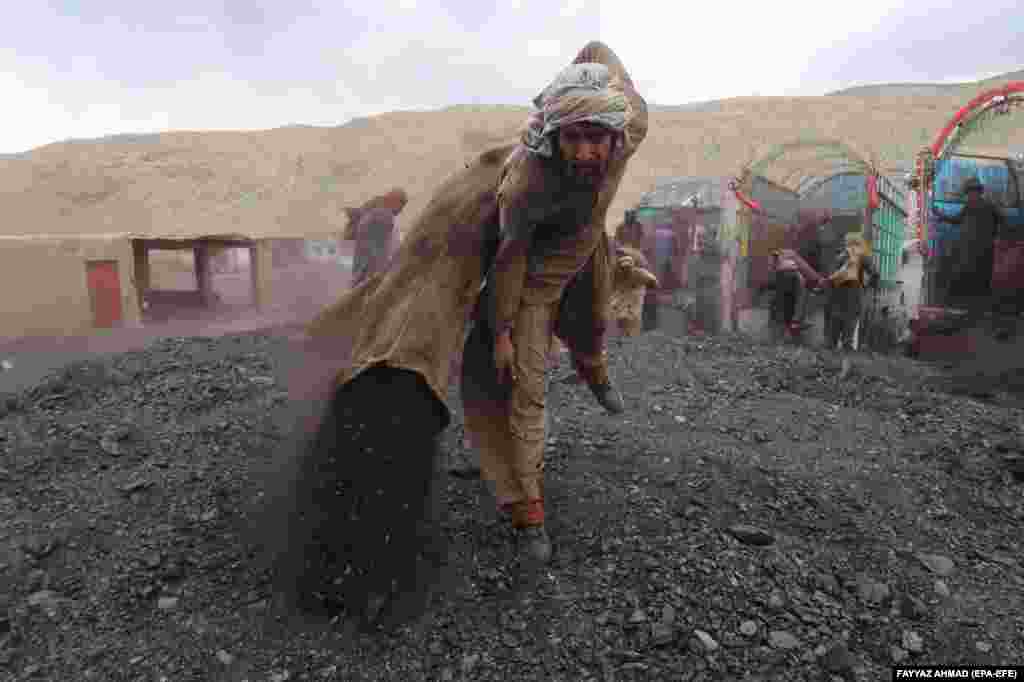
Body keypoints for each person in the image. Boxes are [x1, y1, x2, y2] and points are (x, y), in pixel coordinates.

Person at [300, 39, 647, 584]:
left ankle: (594, 367)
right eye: (573, 139)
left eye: (595, 139)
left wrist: (571, 79)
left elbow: (598, 49)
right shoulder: (528, 184)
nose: (585, 154)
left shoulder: (630, 124)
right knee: (518, 380)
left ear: (614, 135)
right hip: (533, 269)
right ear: (555, 137)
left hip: (585, 245)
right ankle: (524, 506)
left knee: (592, 320)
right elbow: (508, 260)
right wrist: (502, 330)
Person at [930, 176, 1006, 331]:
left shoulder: (985, 206)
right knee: (976, 283)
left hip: (977, 253)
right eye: (969, 193)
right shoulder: (974, 206)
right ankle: (975, 314)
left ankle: (975, 315)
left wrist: (997, 237)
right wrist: (940, 215)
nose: (970, 196)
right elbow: (956, 219)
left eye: (971, 192)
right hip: (974, 252)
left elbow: (1003, 221)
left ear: (977, 192)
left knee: (971, 282)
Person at [342, 188, 408, 288]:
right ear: (394, 201)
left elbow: (355, 232)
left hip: (361, 268)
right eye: (401, 206)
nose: (401, 211)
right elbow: (379, 248)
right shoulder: (386, 216)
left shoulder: (374, 209)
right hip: (369, 270)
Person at [825, 232, 878, 353]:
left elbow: (831, 278)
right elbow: (875, 274)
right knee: (848, 334)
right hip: (854, 296)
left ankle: (828, 360)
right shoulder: (863, 256)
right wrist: (867, 286)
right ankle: (846, 361)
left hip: (838, 297)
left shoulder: (840, 256)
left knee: (833, 334)